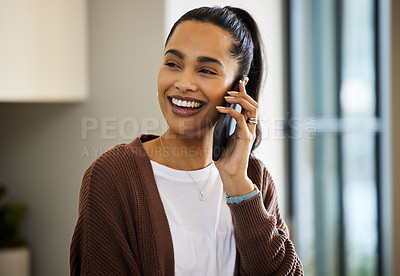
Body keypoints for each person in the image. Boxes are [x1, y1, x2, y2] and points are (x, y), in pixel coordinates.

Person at [70, 6, 303, 275]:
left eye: (206, 70)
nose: (184, 83)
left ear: (238, 90)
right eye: (173, 64)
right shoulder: (113, 176)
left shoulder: (253, 178)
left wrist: (238, 186)